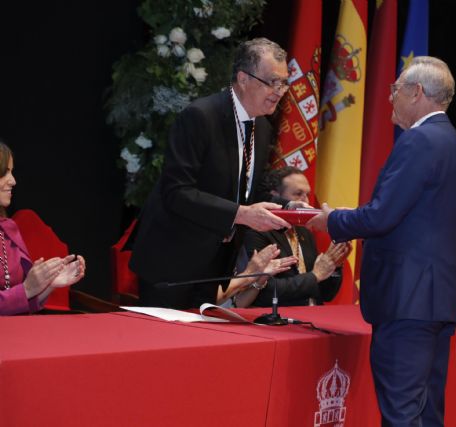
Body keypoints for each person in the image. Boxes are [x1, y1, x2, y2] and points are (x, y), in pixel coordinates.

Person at [308, 57, 456, 426]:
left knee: (401, 413)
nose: (390, 98)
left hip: (408, 299)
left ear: (416, 93)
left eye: (395, 89)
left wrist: (331, 220)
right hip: (435, 299)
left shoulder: (419, 141)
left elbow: (381, 216)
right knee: (426, 413)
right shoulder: (454, 145)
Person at [129, 38, 295, 310]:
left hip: (215, 264)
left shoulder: (262, 127)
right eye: (272, 82)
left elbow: (249, 190)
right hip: (171, 260)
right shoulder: (201, 116)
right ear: (243, 78)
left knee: (202, 346)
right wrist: (241, 213)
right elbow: (177, 192)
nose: (280, 91)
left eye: (284, 83)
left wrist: (289, 208)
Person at [242, 167, 351, 307]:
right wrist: (315, 276)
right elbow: (263, 292)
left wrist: (334, 265)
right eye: (298, 194)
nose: (305, 201)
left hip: (313, 318)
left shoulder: (304, 232)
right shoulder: (256, 232)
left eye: (307, 195)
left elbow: (326, 294)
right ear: (275, 197)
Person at [0, 142, 86, 316]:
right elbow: (23, 292)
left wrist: (48, 284)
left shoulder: (7, 231)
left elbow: (21, 302)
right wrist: (27, 289)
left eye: (12, 171)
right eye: (4, 173)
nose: (13, 181)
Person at [216, 243, 297, 307]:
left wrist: (260, 279)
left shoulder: (238, 245)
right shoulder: (208, 243)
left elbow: (237, 303)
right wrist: (248, 274)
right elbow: (211, 298)